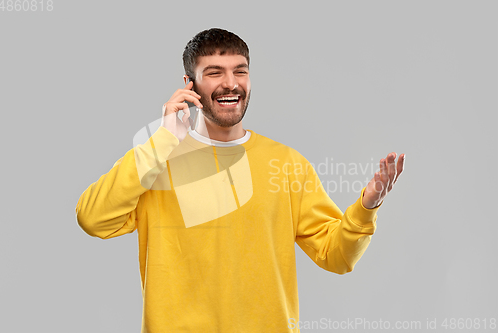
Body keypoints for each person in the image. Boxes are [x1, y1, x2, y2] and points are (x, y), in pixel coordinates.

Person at [76, 28, 405, 333]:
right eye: (215, 72)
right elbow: (93, 220)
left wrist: (367, 206)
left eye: (240, 70)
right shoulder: (155, 160)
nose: (230, 83)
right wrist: (163, 140)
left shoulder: (287, 164)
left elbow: (337, 256)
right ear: (190, 85)